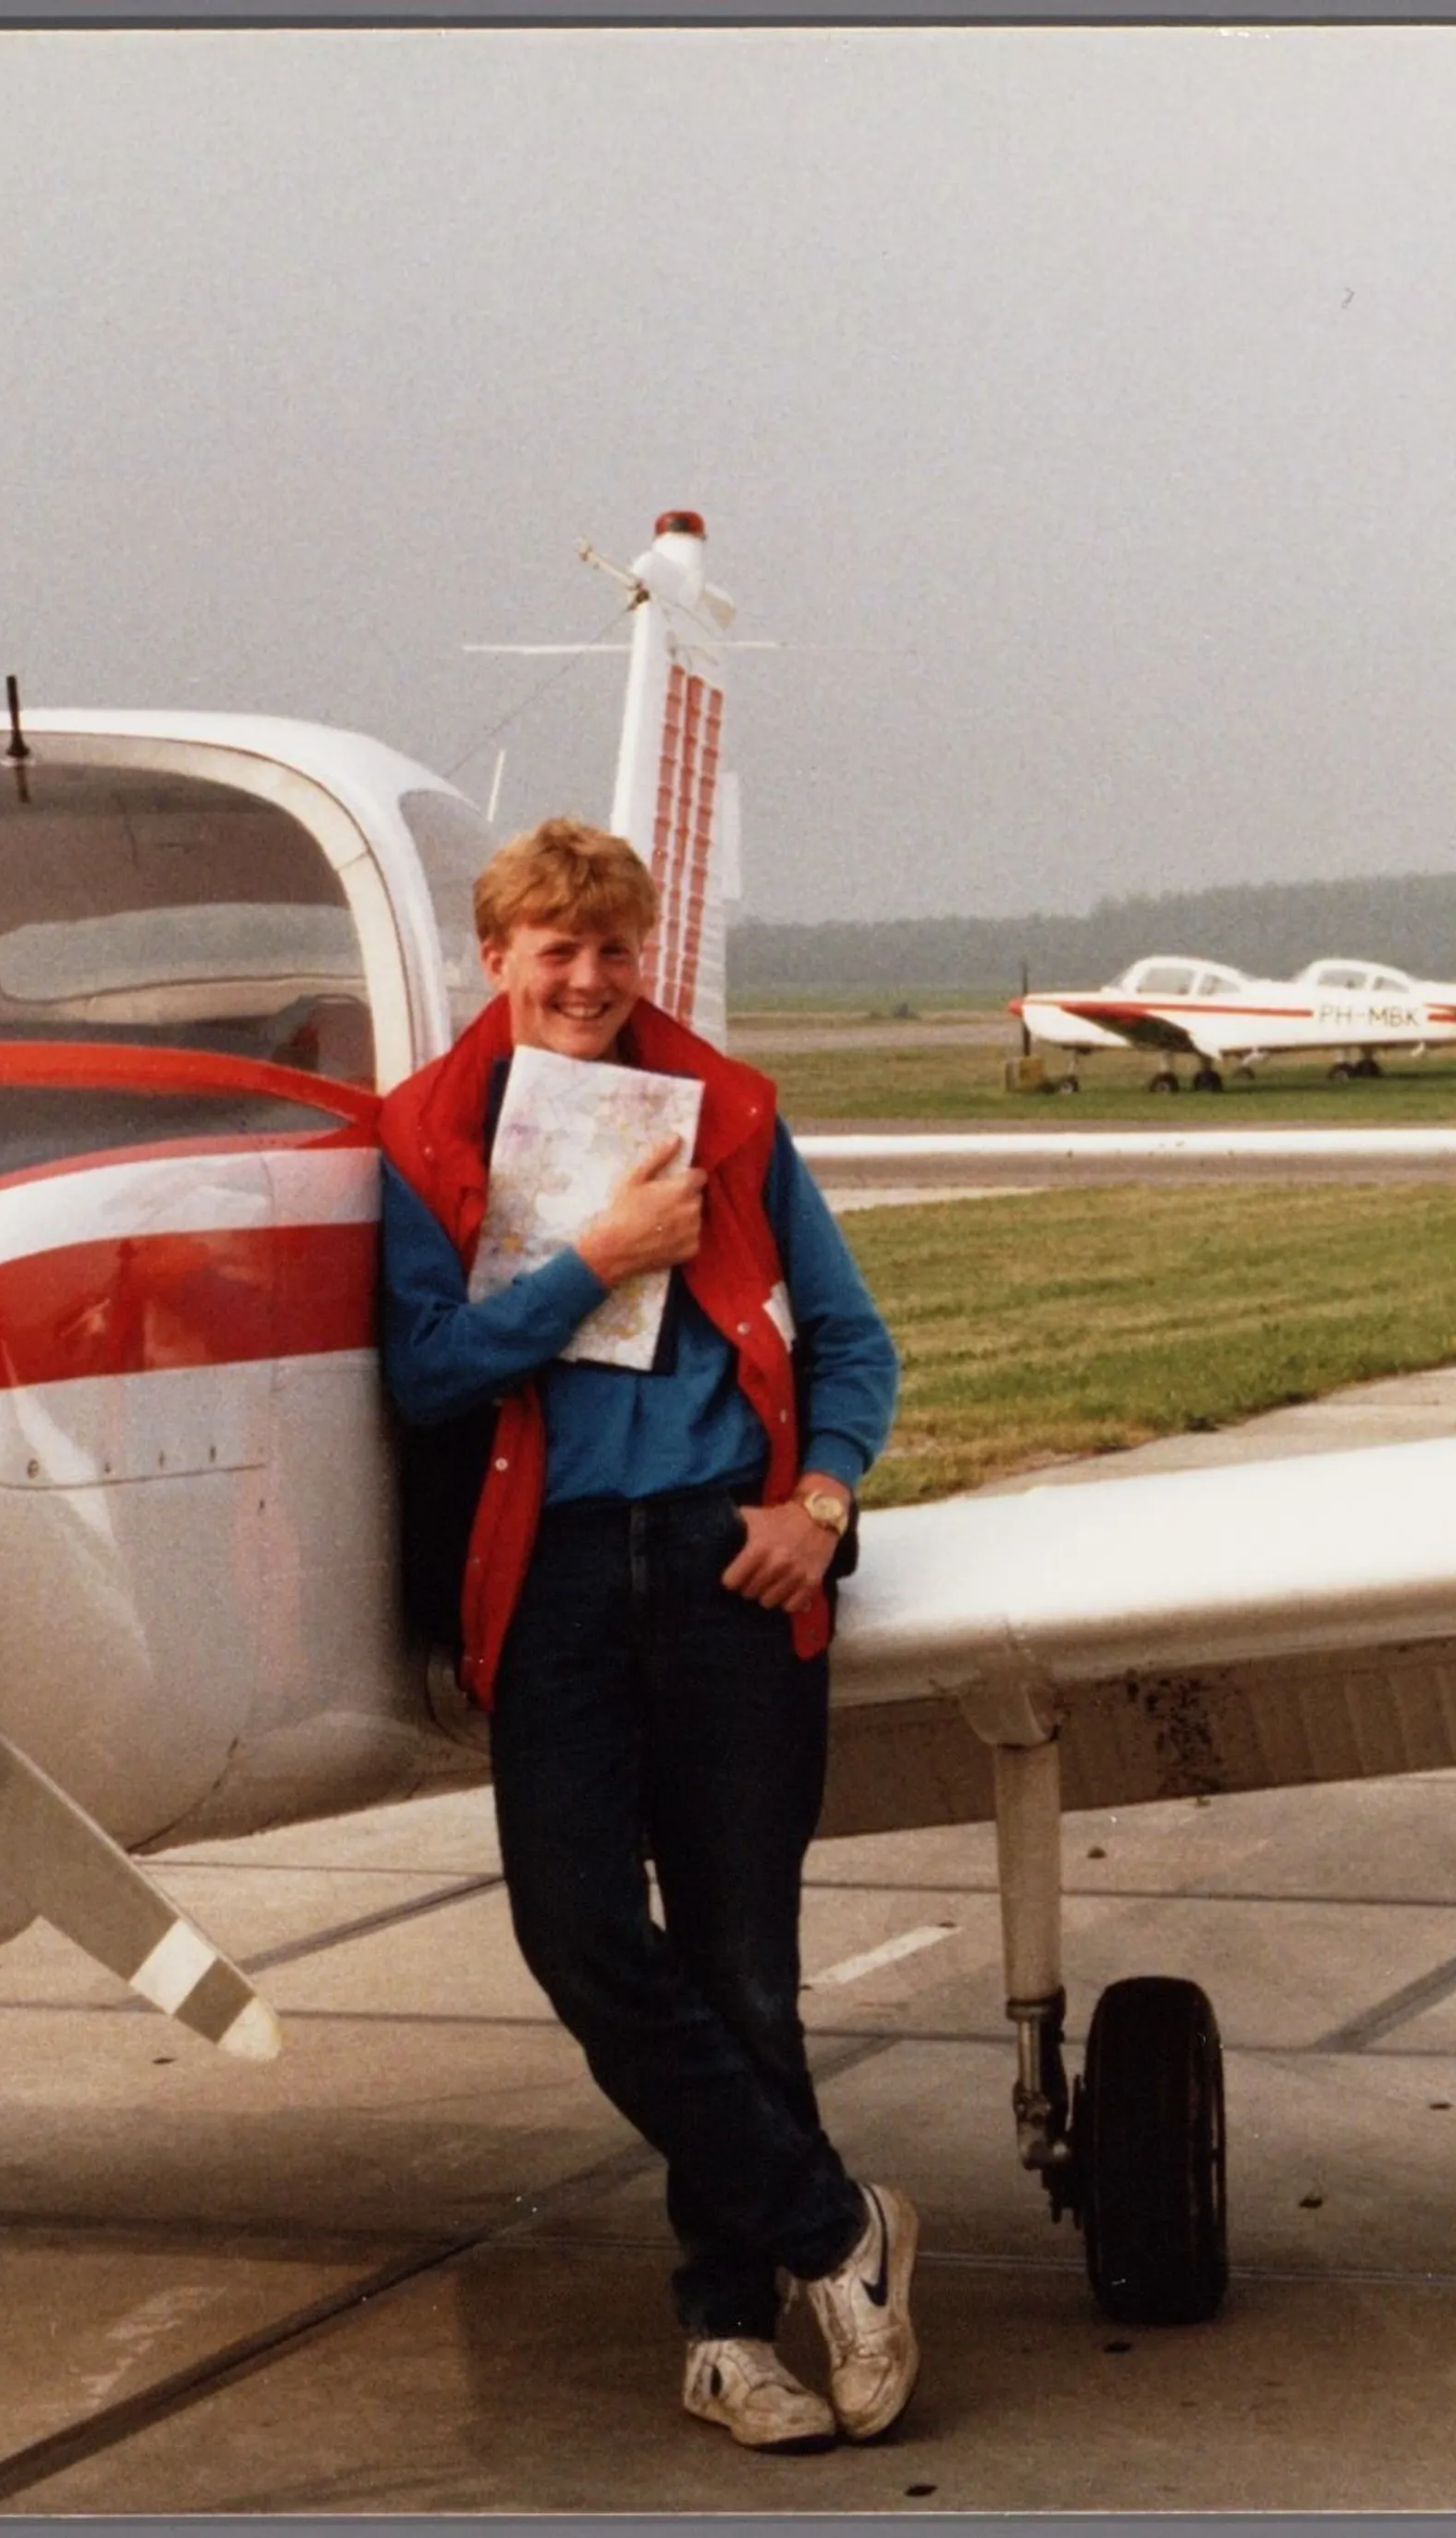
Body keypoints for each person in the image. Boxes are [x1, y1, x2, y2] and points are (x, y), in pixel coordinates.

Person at [378, 817, 913, 2453]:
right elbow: (424, 1375)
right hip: (545, 1578)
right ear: (499, 960)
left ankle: (726, 2331)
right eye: (559, 949)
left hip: (723, 1567)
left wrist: (813, 1508)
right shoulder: (421, 1141)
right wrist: (590, 1267)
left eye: (617, 949)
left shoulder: (733, 1118)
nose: (592, 979)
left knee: (747, 1963)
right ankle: (840, 2232)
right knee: (582, 1937)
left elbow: (850, 1343)